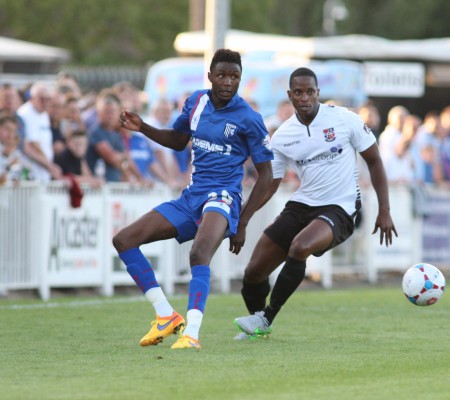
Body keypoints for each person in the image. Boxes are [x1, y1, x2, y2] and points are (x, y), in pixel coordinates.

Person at [113, 49, 274, 350]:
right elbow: (178, 140)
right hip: (191, 197)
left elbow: (266, 176)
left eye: (235, 76)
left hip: (222, 197)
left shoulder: (249, 118)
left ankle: (192, 334)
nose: (228, 82)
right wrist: (143, 127)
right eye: (222, 75)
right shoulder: (196, 101)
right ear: (210, 76)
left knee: (199, 253)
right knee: (124, 240)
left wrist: (242, 222)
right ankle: (165, 316)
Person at [233, 67, 397, 340]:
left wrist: (385, 210)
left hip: (340, 208)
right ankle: (259, 327)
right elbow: (270, 183)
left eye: (310, 92)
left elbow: (374, 161)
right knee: (253, 273)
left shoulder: (344, 119)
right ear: (290, 96)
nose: (305, 97)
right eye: (298, 92)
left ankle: (266, 317)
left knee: (300, 247)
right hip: (302, 205)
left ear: (318, 93)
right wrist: (243, 219)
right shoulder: (284, 135)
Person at [17, 81, 62, 182]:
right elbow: (32, 145)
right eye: (41, 99)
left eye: (48, 99)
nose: (45, 103)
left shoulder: (43, 114)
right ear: (32, 98)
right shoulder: (26, 114)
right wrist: (49, 165)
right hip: (30, 172)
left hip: (42, 172)